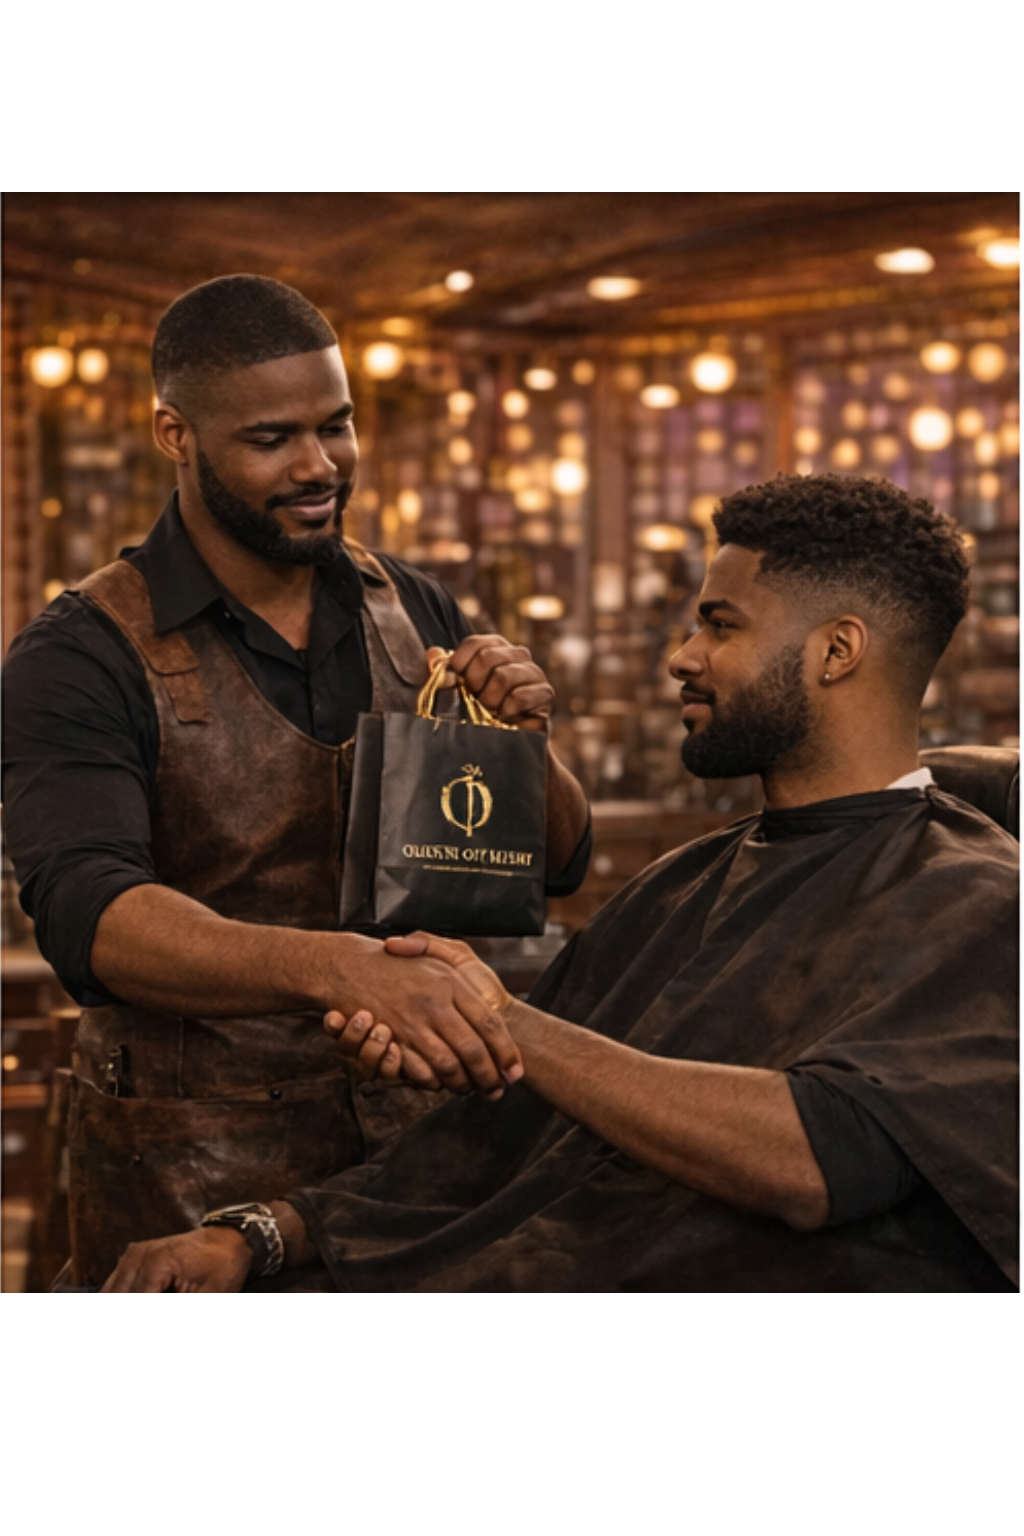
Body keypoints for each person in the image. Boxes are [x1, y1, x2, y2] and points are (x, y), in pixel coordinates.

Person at [101, 471, 1019, 1293]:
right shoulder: (681, 886)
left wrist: (500, 1020)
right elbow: (502, 1135)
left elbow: (821, 1160)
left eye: (720, 624)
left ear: (836, 651)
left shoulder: (982, 904)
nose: (683, 656)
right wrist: (261, 1234)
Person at [1, 275, 591, 1287]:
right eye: (272, 438)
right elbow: (91, 918)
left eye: (337, 425)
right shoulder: (79, 653)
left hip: (415, 1182)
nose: (320, 466)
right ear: (174, 435)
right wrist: (340, 968)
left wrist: (526, 743)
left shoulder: (410, 606)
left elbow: (558, 863)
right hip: (187, 1186)